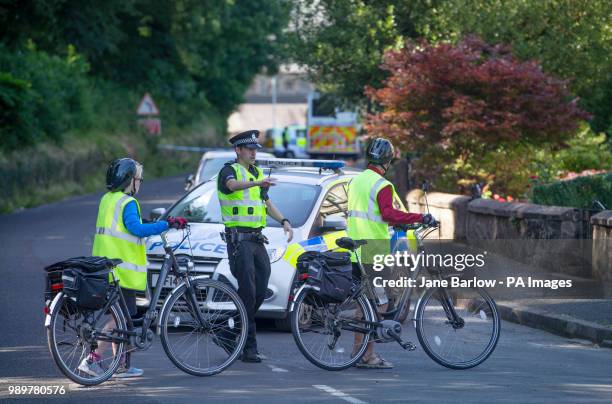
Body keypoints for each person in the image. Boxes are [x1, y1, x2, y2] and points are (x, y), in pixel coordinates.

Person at [79, 158, 186, 378]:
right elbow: (136, 229)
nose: (140, 183)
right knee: (119, 319)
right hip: (122, 271)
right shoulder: (128, 203)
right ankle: (92, 360)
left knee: (123, 318)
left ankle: (122, 366)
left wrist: (148, 221)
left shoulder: (107, 200)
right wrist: (167, 224)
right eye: (139, 179)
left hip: (105, 268)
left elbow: (124, 225)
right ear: (130, 180)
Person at [347, 138, 435, 369]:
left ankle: (358, 353)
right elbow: (388, 214)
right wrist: (419, 217)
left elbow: (371, 213)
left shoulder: (357, 181)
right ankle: (367, 356)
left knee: (364, 305)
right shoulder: (382, 185)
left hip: (357, 250)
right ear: (388, 160)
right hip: (374, 251)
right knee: (380, 304)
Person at [217, 130, 293, 362]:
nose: (253, 153)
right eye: (249, 149)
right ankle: (249, 347)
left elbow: (265, 201)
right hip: (238, 241)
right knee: (248, 292)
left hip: (257, 240)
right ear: (238, 150)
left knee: (259, 291)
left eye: (255, 149)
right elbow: (231, 186)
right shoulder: (228, 171)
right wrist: (258, 181)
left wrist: (283, 220)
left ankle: (229, 333)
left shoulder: (257, 173)